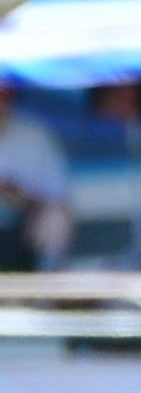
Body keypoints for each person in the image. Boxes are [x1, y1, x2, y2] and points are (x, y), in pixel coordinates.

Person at [0, 81, 74, 271]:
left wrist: (20, 197)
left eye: (4, 94)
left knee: (55, 219)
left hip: (21, 230)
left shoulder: (33, 135)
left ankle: (45, 294)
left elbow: (58, 198)